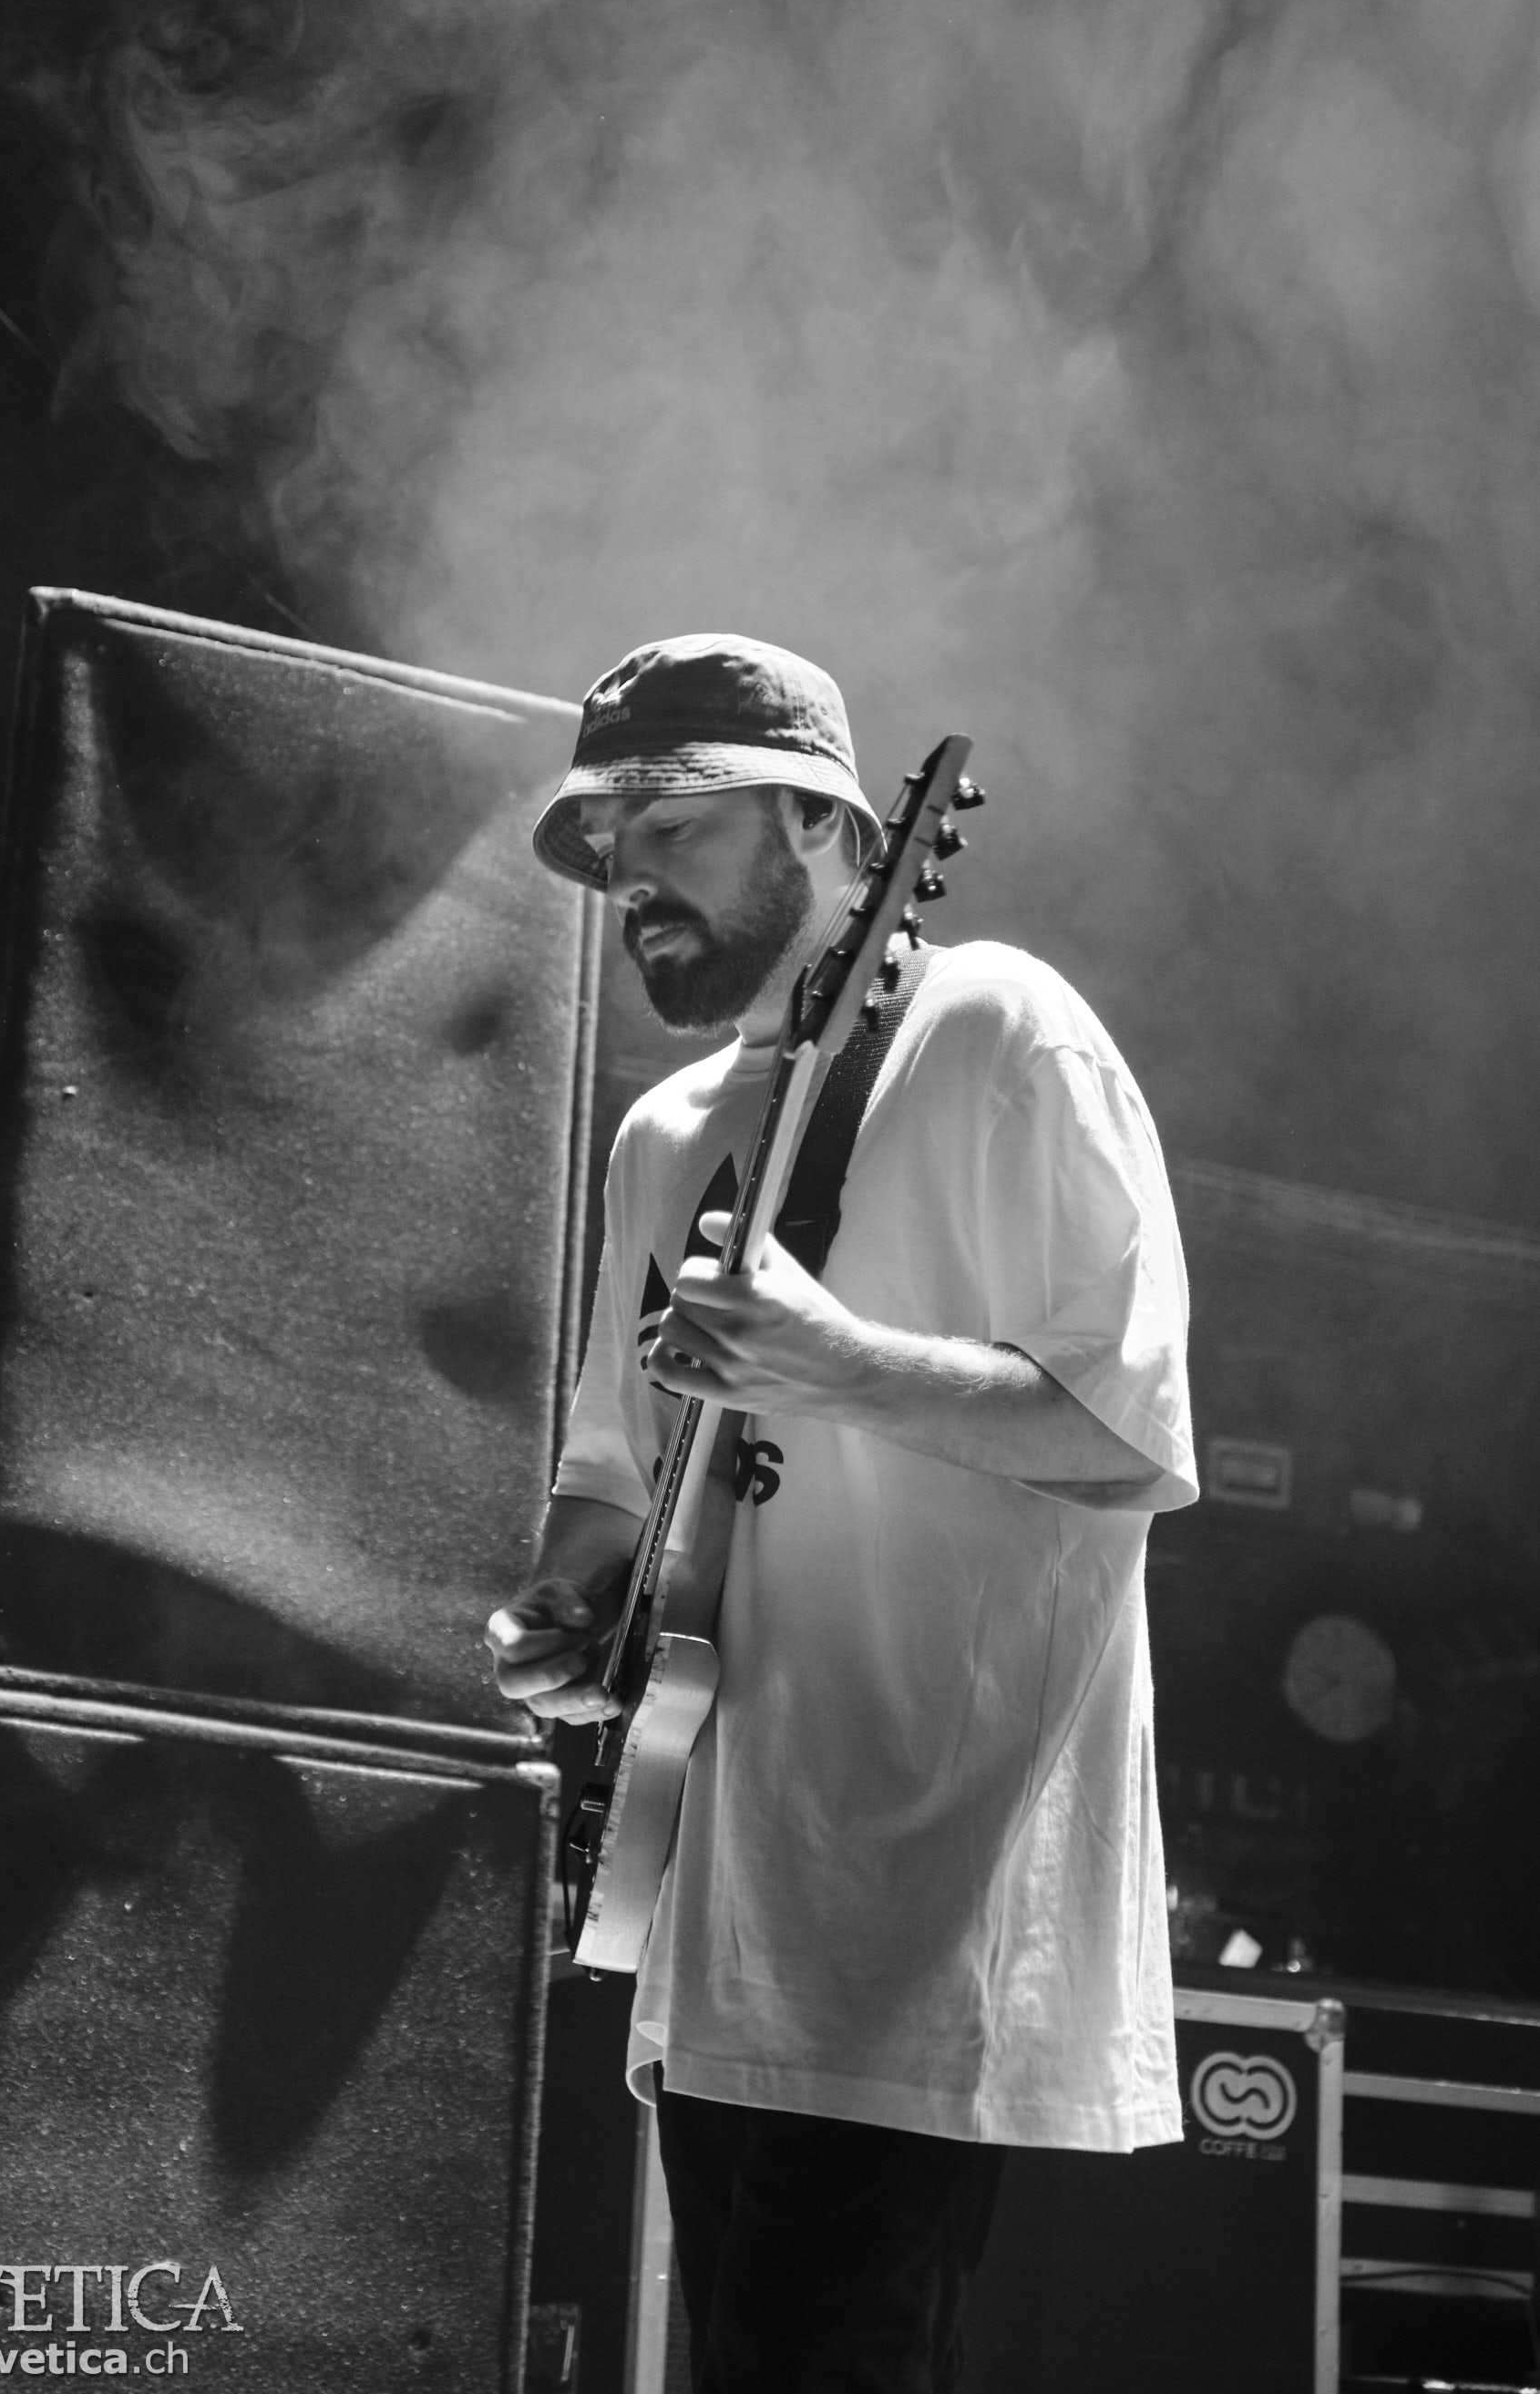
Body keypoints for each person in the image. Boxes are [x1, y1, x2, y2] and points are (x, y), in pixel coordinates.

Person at [488, 633, 1197, 2394]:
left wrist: (834, 1360)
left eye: (674, 825)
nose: (630, 876)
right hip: (717, 1896)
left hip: (928, 1884)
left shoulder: (998, 1027)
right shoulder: (664, 1130)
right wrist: (566, 1610)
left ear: (825, 823)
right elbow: (612, 1473)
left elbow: (1126, 1432)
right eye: (609, 842)